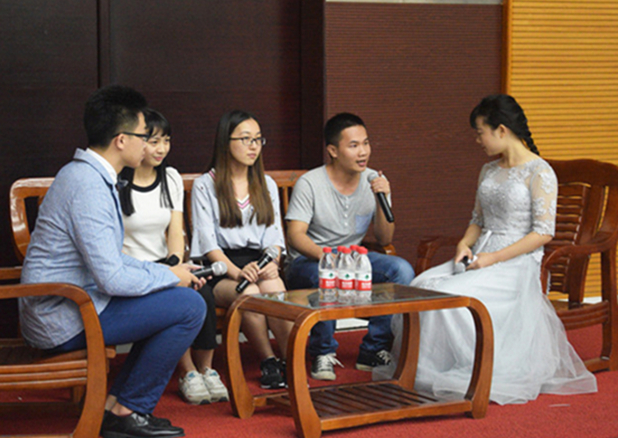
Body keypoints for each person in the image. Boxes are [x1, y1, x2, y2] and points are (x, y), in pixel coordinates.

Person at [19, 85, 206, 438]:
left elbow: (111, 261)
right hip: (61, 316)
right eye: (143, 136)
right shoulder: (88, 185)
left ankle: (117, 407)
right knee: (189, 307)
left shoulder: (88, 175)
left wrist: (167, 272)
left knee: (173, 300)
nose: (147, 145)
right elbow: (112, 278)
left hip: (74, 303)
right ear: (121, 140)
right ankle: (127, 410)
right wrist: (170, 278)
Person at [387, 94, 597, 404]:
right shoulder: (488, 169)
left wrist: (493, 258)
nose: (477, 140)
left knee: (452, 297)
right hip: (480, 254)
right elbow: (477, 220)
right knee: (421, 285)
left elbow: (543, 233)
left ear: (501, 130)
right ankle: (427, 368)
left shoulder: (540, 172)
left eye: (479, 132)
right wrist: (464, 243)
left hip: (515, 264)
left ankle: (470, 368)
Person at [285, 113, 415, 381]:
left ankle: (374, 348)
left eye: (365, 143)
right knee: (325, 275)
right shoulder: (310, 183)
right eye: (353, 145)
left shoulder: (373, 180)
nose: (363, 152)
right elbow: (295, 235)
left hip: (353, 259)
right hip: (309, 261)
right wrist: (328, 258)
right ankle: (322, 351)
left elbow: (384, 238)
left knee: (400, 270)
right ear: (333, 151)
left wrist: (382, 198)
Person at [119, 108, 228, 405]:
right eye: (153, 141)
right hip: (135, 269)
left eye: (166, 141)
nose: (161, 149)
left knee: (201, 289)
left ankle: (207, 369)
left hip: (168, 263)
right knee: (178, 296)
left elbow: (176, 232)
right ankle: (187, 372)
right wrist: (165, 275)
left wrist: (175, 265)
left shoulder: (170, 177)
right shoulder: (118, 181)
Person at [190, 109, 292, 389]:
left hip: (260, 261)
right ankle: (268, 361)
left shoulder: (266, 183)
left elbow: (274, 235)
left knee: (275, 288)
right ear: (226, 142)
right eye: (245, 139)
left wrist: (273, 263)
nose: (253, 146)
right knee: (249, 293)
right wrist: (238, 272)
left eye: (258, 139)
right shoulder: (205, 185)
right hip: (222, 268)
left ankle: (290, 361)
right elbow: (208, 244)